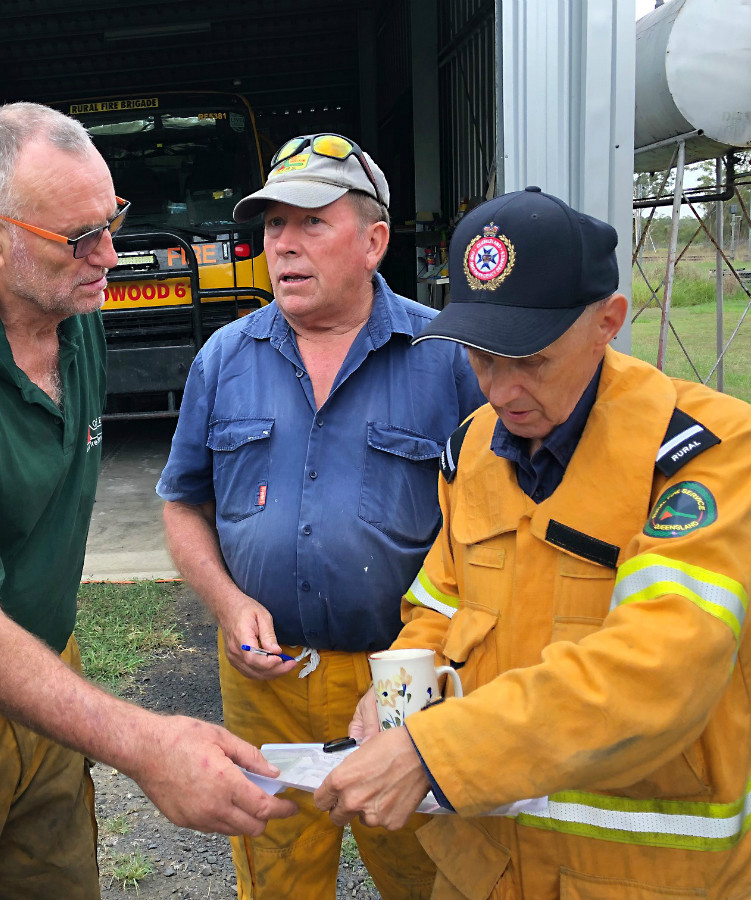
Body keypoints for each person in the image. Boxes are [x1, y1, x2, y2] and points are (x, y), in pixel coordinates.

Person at [0, 101, 297, 900]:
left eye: (111, 221)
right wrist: (145, 745)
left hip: (42, 690)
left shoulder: (75, 314)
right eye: (80, 238)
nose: (110, 254)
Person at [316, 187, 751, 898]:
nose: (500, 390)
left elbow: (663, 666)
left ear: (607, 322)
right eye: (480, 358)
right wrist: (396, 699)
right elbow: (438, 607)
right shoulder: (471, 449)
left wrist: (436, 752)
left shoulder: (698, 450)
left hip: (648, 878)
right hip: (488, 869)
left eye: (529, 358)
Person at [156, 133, 484, 899]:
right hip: (264, 689)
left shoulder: (448, 357)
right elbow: (183, 501)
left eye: (311, 222)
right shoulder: (224, 358)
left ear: (373, 241)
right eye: (273, 226)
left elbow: (490, 523)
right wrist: (230, 603)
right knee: (276, 880)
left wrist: (433, 655)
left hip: (404, 679)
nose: (284, 246)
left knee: (429, 875)